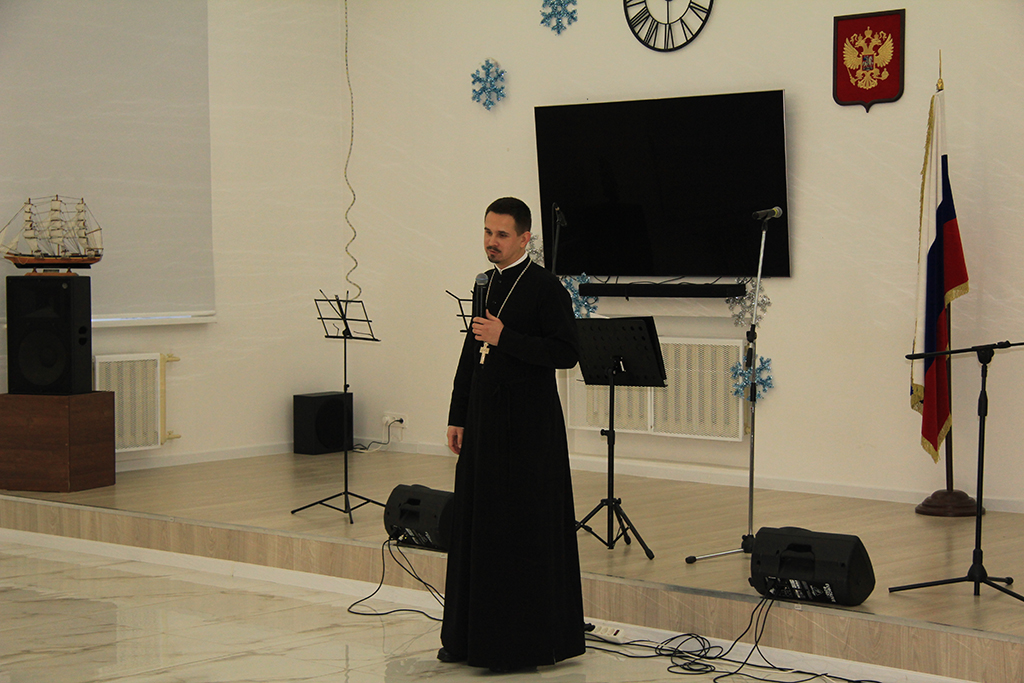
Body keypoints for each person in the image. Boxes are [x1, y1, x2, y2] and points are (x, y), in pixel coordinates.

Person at [439, 197, 586, 672]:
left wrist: (508, 338)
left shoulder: (546, 287)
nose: (491, 242)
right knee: (479, 525)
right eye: (487, 232)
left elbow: (565, 353)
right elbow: (472, 350)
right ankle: (469, 638)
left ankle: (519, 644)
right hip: (484, 421)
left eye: (502, 235)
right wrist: (458, 414)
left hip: (528, 430)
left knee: (519, 530)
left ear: (525, 238)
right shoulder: (484, 284)